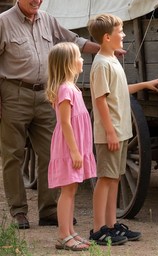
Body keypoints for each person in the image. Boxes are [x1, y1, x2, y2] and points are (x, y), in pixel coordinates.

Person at [0, 0, 101, 229]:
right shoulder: (3, 22)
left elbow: (72, 41)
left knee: (51, 153)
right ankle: (19, 212)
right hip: (13, 94)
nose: (38, 0)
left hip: (47, 95)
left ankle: (49, 211)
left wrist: (102, 48)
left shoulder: (47, 20)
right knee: (13, 155)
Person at [87, 13, 158, 245]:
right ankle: (97, 229)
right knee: (105, 178)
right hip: (110, 133)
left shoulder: (111, 61)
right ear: (108, 37)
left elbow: (120, 89)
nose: (123, 35)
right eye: (120, 32)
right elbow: (100, 100)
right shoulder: (101, 65)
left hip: (121, 132)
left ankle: (111, 226)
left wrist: (144, 85)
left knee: (114, 179)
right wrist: (109, 131)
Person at [46, 42, 97, 251]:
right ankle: (63, 235)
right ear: (68, 63)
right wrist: (75, 151)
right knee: (67, 191)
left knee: (71, 189)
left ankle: (69, 232)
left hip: (74, 145)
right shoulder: (65, 89)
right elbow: (65, 122)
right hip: (69, 147)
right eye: (78, 56)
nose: (82, 60)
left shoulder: (71, 86)